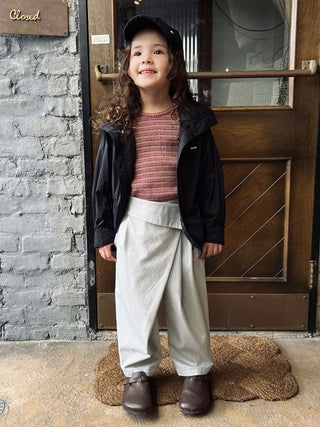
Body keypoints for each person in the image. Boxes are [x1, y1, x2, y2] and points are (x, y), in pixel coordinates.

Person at [92, 15, 225, 416]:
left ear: (172, 64)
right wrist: (103, 231)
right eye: (136, 52)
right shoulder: (119, 125)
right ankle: (138, 373)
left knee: (188, 303)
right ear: (127, 66)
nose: (145, 58)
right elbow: (103, 184)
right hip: (136, 222)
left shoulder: (194, 121)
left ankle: (195, 371)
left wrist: (213, 228)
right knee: (134, 301)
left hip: (184, 225)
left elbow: (211, 180)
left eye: (157, 51)